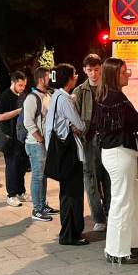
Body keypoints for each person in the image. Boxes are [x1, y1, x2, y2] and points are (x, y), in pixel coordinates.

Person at [94, 58, 138, 264]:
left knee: (128, 199)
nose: (128, 74)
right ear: (114, 74)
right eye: (124, 71)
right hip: (120, 152)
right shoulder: (117, 99)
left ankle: (132, 244)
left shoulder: (104, 96)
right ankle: (117, 250)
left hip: (114, 152)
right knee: (122, 201)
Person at [45, 64, 88, 245]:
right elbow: (80, 124)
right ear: (69, 79)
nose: (77, 76)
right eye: (75, 74)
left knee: (66, 193)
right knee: (73, 194)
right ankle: (71, 234)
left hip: (59, 153)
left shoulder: (56, 96)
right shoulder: (64, 99)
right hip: (69, 154)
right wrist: (79, 127)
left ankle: (69, 232)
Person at [73, 54, 111, 232]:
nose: (94, 74)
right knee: (91, 180)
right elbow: (75, 116)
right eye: (90, 70)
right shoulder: (80, 91)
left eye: (96, 69)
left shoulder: (110, 88)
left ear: (101, 68)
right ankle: (98, 217)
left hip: (108, 140)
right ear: (84, 70)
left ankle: (111, 211)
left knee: (109, 178)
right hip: (88, 141)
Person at [23, 67, 59, 222]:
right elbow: (28, 122)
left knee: (43, 176)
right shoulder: (32, 98)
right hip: (35, 144)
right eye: (47, 77)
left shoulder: (48, 95)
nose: (50, 79)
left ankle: (43, 205)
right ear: (40, 79)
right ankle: (37, 209)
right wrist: (40, 139)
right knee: (37, 176)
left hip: (44, 143)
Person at [0, 71, 28, 206]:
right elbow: (0, 117)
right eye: (20, 85)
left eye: (24, 85)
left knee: (21, 166)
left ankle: (21, 192)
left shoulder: (23, 96)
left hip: (21, 136)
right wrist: (18, 111)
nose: (22, 88)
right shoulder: (5, 96)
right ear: (13, 82)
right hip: (9, 136)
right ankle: (11, 195)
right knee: (11, 166)